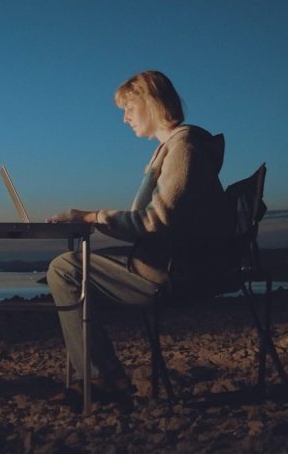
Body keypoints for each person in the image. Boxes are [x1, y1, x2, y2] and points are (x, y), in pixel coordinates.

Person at [45, 70, 230, 403]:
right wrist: (96, 219)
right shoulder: (175, 149)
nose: (125, 118)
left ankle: (104, 378)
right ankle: (103, 375)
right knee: (71, 267)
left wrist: (92, 217)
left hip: (172, 274)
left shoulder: (183, 149)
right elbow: (152, 222)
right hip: (169, 264)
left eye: (129, 107)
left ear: (151, 102)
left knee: (64, 269)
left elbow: (155, 222)